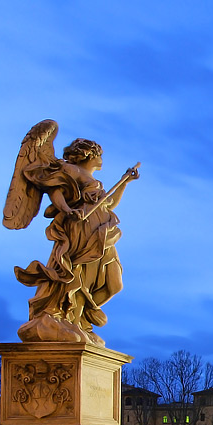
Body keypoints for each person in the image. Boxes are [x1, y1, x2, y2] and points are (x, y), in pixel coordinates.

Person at [9, 130, 139, 346]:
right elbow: (55, 191)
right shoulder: (69, 170)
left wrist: (125, 182)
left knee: (114, 284)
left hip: (101, 232)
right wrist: (67, 210)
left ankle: (79, 318)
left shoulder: (92, 180)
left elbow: (107, 203)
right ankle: (61, 314)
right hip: (79, 229)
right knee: (73, 276)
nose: (102, 159)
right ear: (89, 154)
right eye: (99, 154)